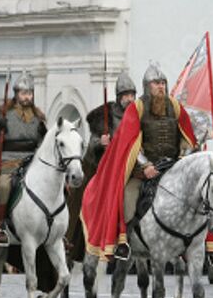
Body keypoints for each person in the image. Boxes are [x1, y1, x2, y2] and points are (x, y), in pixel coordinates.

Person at [81, 63, 196, 261]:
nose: (161, 86)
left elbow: (188, 137)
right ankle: (122, 242)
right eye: (156, 83)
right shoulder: (138, 108)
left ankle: (196, 241)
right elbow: (131, 143)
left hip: (172, 168)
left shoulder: (175, 106)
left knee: (198, 196)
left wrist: (185, 158)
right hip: (144, 170)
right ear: (147, 86)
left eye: (163, 83)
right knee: (127, 198)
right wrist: (145, 165)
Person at [66, 71, 137, 264]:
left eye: (132, 95)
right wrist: (100, 142)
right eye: (126, 95)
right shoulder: (104, 117)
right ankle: (74, 241)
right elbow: (89, 151)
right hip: (102, 169)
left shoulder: (138, 115)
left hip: (131, 168)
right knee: (86, 200)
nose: (129, 99)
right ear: (119, 96)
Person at [0, 71, 47, 247]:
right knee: (4, 186)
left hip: (32, 162)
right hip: (7, 161)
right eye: (23, 93)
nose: (27, 97)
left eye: (29, 93)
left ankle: (53, 229)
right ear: (16, 94)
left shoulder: (39, 117)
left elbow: (43, 146)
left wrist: (45, 135)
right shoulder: (2, 114)